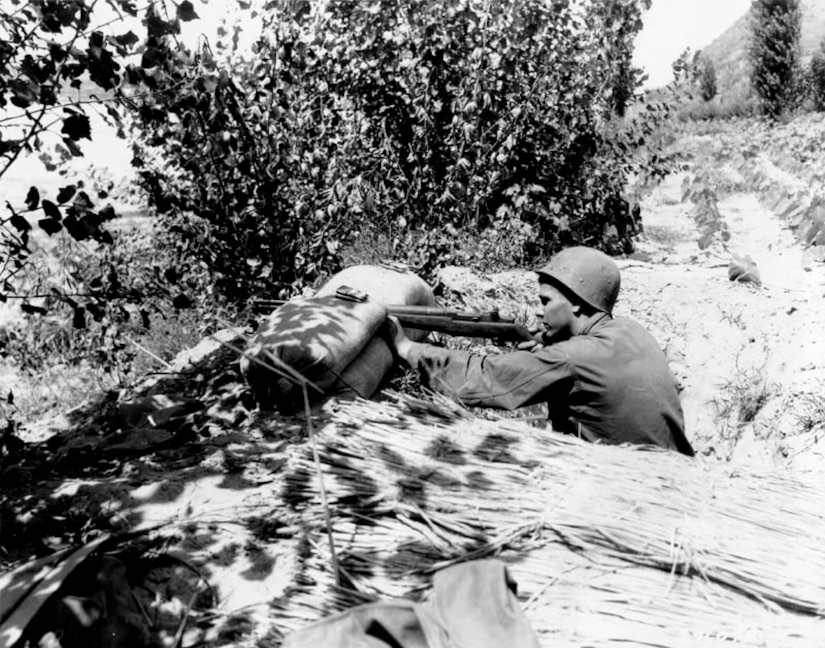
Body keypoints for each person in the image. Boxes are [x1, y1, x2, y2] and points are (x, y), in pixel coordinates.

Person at [387, 246, 695, 456]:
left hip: (630, 491)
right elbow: (593, 364)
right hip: (675, 472)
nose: (537, 311)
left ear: (575, 302)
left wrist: (408, 348)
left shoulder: (570, 358)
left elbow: (485, 378)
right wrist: (545, 349)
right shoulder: (632, 330)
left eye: (545, 301)